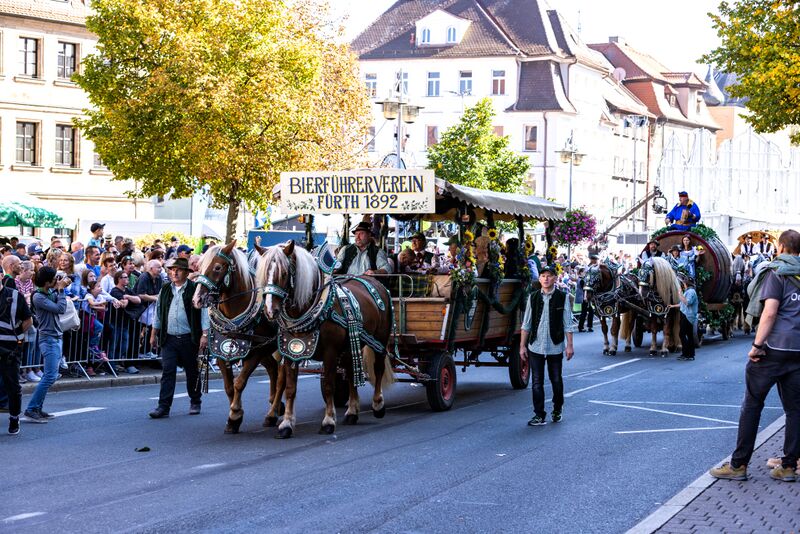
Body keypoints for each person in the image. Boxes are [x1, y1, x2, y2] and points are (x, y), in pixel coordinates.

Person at [710, 230, 800, 482]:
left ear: (780, 247)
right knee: (795, 410)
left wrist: (757, 345)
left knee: (752, 405)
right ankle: (789, 467)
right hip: (798, 352)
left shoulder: (777, 272)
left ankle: (738, 465)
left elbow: (769, 313)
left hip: (774, 349)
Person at [148, 257, 209, 418]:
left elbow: (203, 313)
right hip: (169, 338)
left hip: (189, 337)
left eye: (178, 269)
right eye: (172, 269)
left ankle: (195, 400)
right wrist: (153, 334)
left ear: (186, 272)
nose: (174, 272)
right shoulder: (166, 289)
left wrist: (205, 334)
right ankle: (163, 407)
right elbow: (158, 313)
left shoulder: (194, 288)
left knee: (192, 371)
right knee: (168, 372)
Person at [520, 264, 575, 426]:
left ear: (555, 278)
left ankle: (557, 409)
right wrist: (522, 346)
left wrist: (569, 345)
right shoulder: (533, 297)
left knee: (556, 379)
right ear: (539, 279)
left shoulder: (562, 297)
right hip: (535, 345)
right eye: (543, 276)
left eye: (549, 275)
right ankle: (539, 414)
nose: (546, 278)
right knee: (536, 381)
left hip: (555, 344)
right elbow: (526, 324)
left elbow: (568, 323)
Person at [23, 266, 70, 423]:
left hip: (56, 337)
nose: (57, 280)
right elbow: (60, 308)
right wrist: (61, 290)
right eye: (55, 278)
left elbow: (57, 303)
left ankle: (38, 408)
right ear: (48, 281)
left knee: (51, 375)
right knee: (50, 376)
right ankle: (31, 409)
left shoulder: (49, 292)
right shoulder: (38, 296)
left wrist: (58, 289)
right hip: (48, 338)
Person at [0, 279, 33, 435]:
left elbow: (28, 320)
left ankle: (14, 417)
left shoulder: (14, 295)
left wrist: (17, 338)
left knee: (12, 385)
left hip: (10, 349)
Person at [670, 278, 698, 361]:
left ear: (686, 284)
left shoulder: (691, 292)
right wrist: (673, 306)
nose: (683, 285)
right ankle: (690, 354)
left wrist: (680, 294)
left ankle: (686, 353)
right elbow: (682, 303)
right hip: (686, 315)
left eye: (684, 284)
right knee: (689, 335)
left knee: (682, 334)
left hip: (687, 316)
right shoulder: (688, 291)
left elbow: (687, 302)